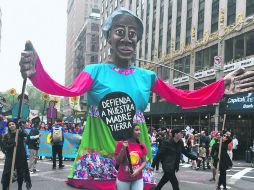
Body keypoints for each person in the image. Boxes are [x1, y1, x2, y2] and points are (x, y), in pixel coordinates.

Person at [19, 7, 254, 190]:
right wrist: (36, 73)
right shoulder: (94, 71)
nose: (127, 39)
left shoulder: (147, 77)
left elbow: (183, 96)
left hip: (135, 159)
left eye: (133, 34)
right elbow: (67, 90)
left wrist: (220, 87)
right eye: (120, 32)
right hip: (100, 158)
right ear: (108, 38)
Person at [115, 124, 148, 190]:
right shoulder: (121, 144)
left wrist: (138, 170)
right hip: (123, 179)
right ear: (130, 131)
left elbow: (144, 162)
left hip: (138, 178)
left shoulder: (141, 145)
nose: (139, 132)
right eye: (136, 130)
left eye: (139, 130)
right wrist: (123, 148)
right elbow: (118, 161)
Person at [1, 120, 32, 190]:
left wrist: (20, 126)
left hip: (20, 156)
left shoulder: (20, 133)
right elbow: (4, 148)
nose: (11, 126)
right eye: (9, 125)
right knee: (6, 173)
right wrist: (11, 146)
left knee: (20, 173)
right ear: (8, 127)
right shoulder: (6, 136)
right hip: (10, 157)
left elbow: (27, 136)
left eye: (13, 124)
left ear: (16, 125)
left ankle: (20, 187)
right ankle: (6, 188)